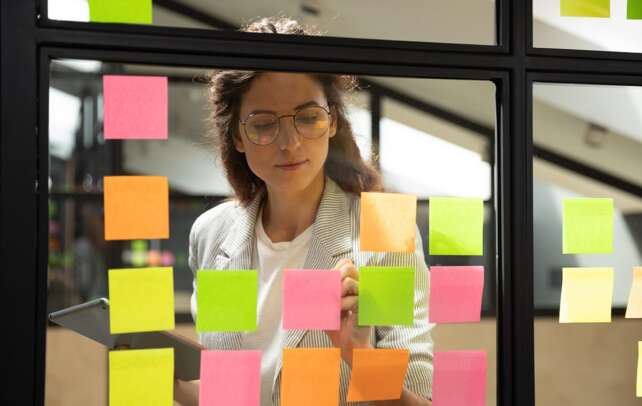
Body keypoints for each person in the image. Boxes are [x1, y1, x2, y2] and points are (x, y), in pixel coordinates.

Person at [177, 16, 434, 406]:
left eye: (308, 117)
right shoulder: (211, 234)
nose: (290, 143)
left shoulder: (383, 230)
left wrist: (358, 354)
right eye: (264, 124)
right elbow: (229, 391)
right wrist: (166, 381)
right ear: (237, 136)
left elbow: (421, 400)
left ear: (332, 121)